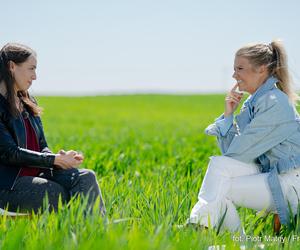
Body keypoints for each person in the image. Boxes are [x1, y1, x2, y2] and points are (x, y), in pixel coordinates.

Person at [188, 39, 300, 233]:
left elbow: (238, 154)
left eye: (240, 68)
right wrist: (228, 116)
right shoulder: (254, 104)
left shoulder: (274, 103)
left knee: (219, 186)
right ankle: (223, 238)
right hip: (272, 175)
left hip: (291, 183)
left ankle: (199, 227)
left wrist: (228, 122)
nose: (234, 75)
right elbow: (231, 156)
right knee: (219, 181)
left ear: (262, 69)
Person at [0, 43, 105, 215]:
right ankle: (76, 234)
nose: (35, 76)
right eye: (31, 69)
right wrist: (53, 160)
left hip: (38, 173)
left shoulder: (29, 102)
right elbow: (9, 153)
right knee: (54, 193)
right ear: (12, 66)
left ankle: (98, 235)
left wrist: (59, 158)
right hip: (7, 186)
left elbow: (41, 145)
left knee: (86, 177)